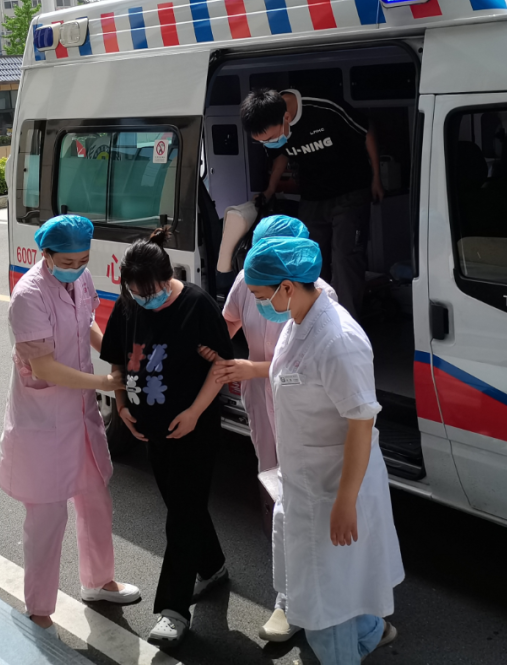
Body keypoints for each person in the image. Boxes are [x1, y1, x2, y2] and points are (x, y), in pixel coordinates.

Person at [243, 236, 404, 665]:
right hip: (306, 481)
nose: (258, 304)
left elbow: (361, 422)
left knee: (324, 602)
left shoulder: (337, 340)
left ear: (287, 287)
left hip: (334, 486)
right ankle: (369, 631)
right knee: (328, 583)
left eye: (260, 295)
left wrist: (346, 501)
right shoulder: (298, 320)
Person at [0, 214, 140, 635]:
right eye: (67, 261)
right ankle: (39, 607)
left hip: (79, 415)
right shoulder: (28, 296)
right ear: (46, 254)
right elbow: (44, 367)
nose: (77, 267)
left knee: (95, 500)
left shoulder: (79, 279)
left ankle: (99, 581)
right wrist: (104, 382)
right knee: (47, 519)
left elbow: (88, 322)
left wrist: (114, 353)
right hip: (43, 421)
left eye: (83, 260)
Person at [200, 214, 337, 644]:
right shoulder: (250, 278)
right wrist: (213, 355)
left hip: (304, 406)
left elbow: (302, 365)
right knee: (276, 489)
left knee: (308, 498)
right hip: (262, 399)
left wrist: (251, 367)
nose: (257, 291)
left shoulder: (320, 298)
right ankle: (291, 591)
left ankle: (310, 595)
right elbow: (227, 323)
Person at [98, 227, 235, 649]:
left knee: (182, 513)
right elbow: (117, 360)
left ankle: (173, 610)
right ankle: (212, 566)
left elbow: (222, 366)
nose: (144, 300)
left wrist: (194, 413)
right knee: (182, 505)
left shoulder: (197, 305)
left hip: (194, 429)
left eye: (152, 293)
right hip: (150, 429)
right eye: (136, 293)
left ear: (167, 277)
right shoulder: (129, 302)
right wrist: (122, 407)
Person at [240, 86, 383, 319]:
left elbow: (367, 130)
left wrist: (377, 177)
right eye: (262, 142)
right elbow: (281, 156)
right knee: (309, 259)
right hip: (312, 197)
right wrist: (269, 190)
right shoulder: (273, 125)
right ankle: (316, 320)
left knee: (345, 260)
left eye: (270, 139)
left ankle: (345, 324)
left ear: (287, 118)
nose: (269, 144)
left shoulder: (324, 108)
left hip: (350, 191)